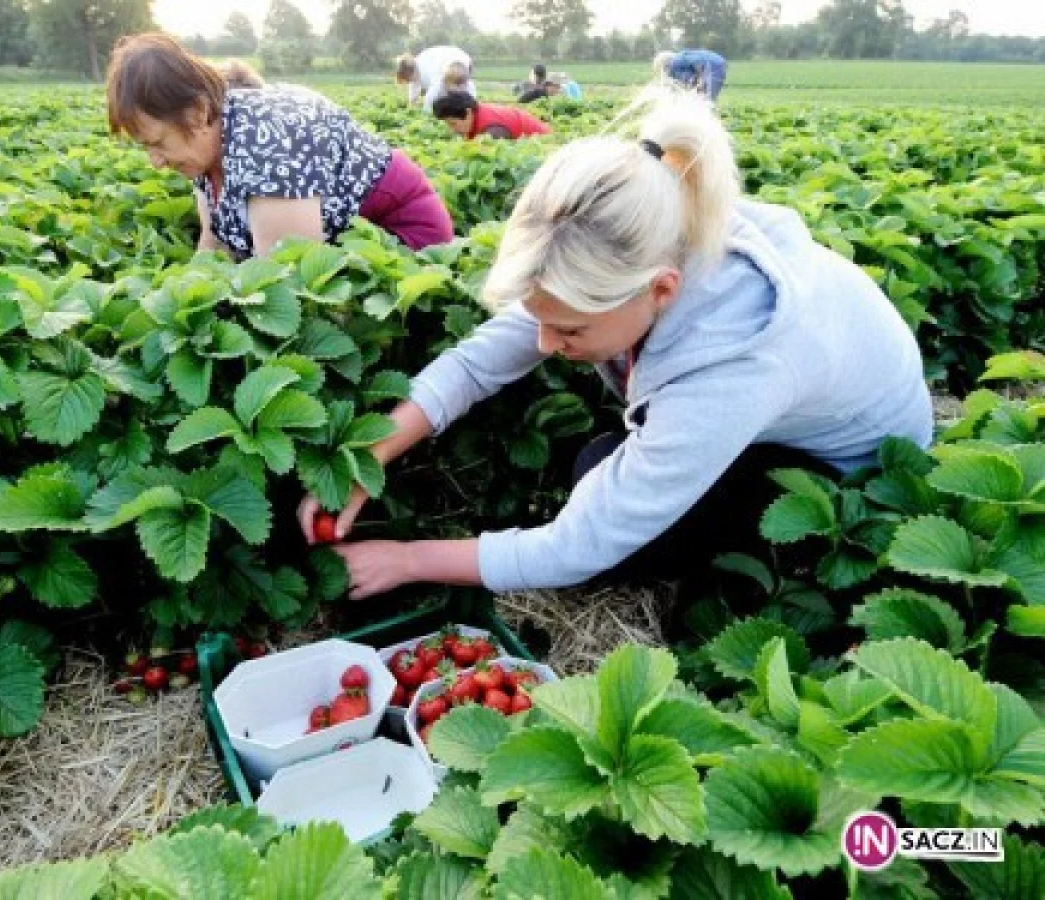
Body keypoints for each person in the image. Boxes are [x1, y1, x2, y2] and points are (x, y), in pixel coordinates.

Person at [299, 84, 933, 599]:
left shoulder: (735, 362)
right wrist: (373, 457)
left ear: (660, 289)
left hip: (856, 470)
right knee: (600, 464)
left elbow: (578, 548)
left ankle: (776, 557)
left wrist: (408, 560)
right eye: (540, 319)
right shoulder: (644, 231)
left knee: (612, 504)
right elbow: (479, 362)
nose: (545, 343)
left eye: (569, 329)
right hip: (794, 405)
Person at [106, 34, 453, 259]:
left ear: (196, 113)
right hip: (352, 242)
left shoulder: (267, 139)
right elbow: (213, 244)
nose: (155, 161)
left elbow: (289, 277)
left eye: (157, 143)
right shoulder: (205, 148)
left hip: (407, 238)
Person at [432, 92, 551, 140]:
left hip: (545, 144)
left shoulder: (492, 131)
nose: (452, 129)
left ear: (468, 113)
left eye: (453, 123)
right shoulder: (477, 113)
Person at [396, 46, 476, 114]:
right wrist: (412, 103)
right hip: (449, 63)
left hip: (457, 60)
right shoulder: (414, 67)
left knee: (455, 90)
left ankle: (469, 108)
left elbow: (434, 91)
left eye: (408, 79)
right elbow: (414, 86)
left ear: (411, 72)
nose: (409, 82)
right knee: (448, 92)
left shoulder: (428, 68)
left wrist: (426, 111)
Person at [654, 49, 728, 101]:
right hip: (716, 65)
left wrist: (701, 80)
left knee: (708, 99)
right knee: (701, 96)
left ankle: (708, 118)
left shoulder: (678, 59)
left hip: (713, 66)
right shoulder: (675, 69)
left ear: (664, 64)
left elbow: (697, 62)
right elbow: (684, 83)